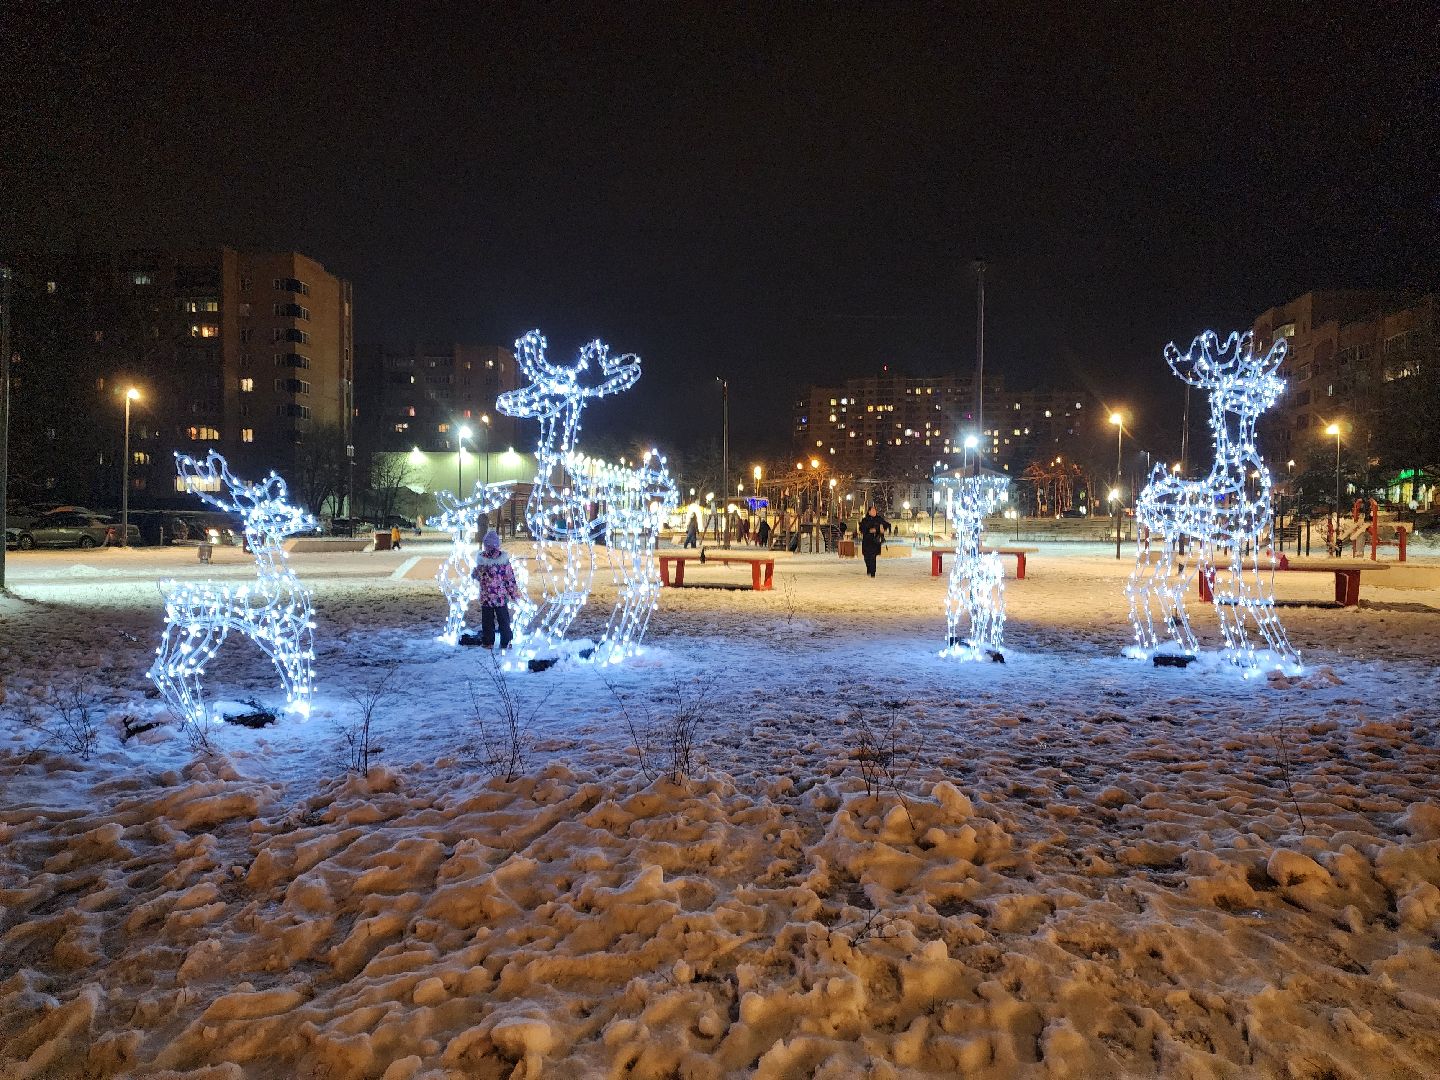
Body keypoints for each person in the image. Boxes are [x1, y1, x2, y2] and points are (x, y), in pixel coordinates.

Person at [471, 529, 522, 649]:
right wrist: (514, 594)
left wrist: (478, 575)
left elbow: (476, 575)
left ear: (485, 546)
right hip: (500, 598)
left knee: (487, 622)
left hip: (486, 598)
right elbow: (509, 579)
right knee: (504, 620)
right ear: (497, 545)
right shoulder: (503, 561)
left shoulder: (481, 560)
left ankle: (488, 642)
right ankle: (506, 642)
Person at [857, 504, 891, 577]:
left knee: (873, 557)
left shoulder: (879, 519)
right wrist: (869, 530)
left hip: (875, 541)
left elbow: (887, 525)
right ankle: (869, 569)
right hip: (867, 541)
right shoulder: (865, 520)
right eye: (872, 510)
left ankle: (873, 573)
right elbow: (861, 529)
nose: (874, 512)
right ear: (869, 512)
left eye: (875, 510)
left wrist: (880, 529)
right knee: (866, 557)